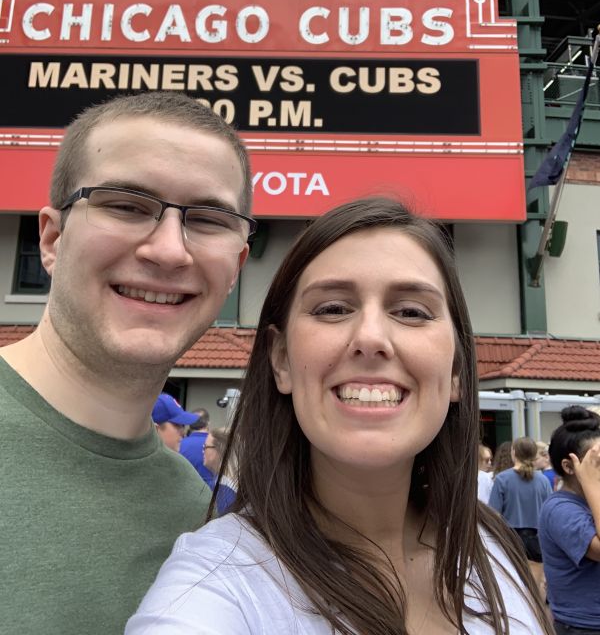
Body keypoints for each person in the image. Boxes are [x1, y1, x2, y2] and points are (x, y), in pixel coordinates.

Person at [127, 197, 552, 635]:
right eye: (332, 308)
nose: (370, 337)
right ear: (281, 361)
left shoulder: (493, 547)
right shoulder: (213, 584)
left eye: (411, 312)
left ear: (458, 371)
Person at [0, 91, 255, 635]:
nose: (168, 251)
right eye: (125, 205)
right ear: (51, 237)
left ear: (235, 266)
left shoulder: (204, 527)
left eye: (208, 218)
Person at [539, 406, 600, 635]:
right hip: (583, 626)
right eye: (596, 462)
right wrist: (593, 482)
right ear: (569, 466)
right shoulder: (559, 509)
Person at [489, 437, 552, 593]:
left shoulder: (502, 479)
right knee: (536, 587)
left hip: (510, 537)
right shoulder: (543, 480)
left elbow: (494, 514)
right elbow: (549, 511)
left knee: (513, 586)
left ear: (514, 452)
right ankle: (537, 616)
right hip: (537, 537)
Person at [203, 427, 237, 514]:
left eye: (205, 447)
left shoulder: (223, 493)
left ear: (220, 449)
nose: (203, 451)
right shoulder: (232, 485)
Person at [180, 406, 215, 484]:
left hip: (187, 490)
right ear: (208, 422)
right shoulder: (218, 444)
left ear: (190, 423)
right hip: (213, 492)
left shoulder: (179, 444)